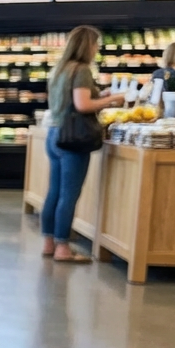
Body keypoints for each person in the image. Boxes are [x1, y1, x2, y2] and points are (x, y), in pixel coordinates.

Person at [42, 25, 124, 263]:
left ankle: (49, 243)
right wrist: (113, 99)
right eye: (96, 44)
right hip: (73, 139)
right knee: (69, 195)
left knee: (54, 192)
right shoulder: (82, 70)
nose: (97, 49)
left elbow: (72, 100)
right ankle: (63, 249)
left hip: (54, 134)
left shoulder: (60, 70)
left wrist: (98, 94)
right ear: (87, 45)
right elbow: (82, 106)